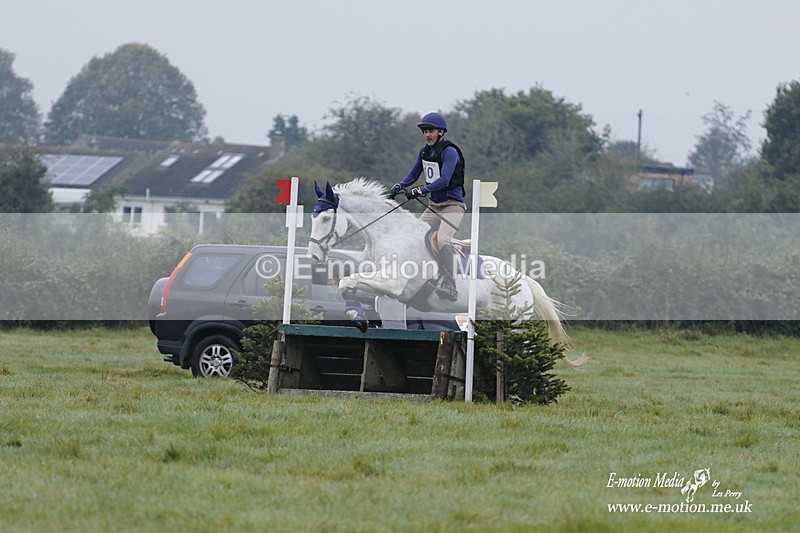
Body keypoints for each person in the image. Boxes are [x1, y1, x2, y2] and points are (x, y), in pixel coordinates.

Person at [389, 112, 466, 301]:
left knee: (442, 241)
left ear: (441, 132)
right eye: (425, 131)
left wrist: (420, 190)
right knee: (414, 236)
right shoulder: (424, 151)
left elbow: (444, 180)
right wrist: (400, 185)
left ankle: (450, 285)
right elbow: (413, 174)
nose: (427, 135)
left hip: (453, 206)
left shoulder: (450, 151)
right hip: (434, 205)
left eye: (430, 131)